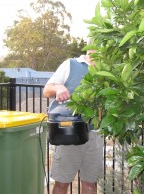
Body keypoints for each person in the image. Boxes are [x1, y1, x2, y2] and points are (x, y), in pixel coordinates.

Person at [43, 46, 104, 194]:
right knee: (62, 184)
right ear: (91, 48)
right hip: (70, 132)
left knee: (90, 184)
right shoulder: (71, 64)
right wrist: (58, 88)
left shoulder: (106, 70)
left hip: (96, 134)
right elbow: (47, 90)